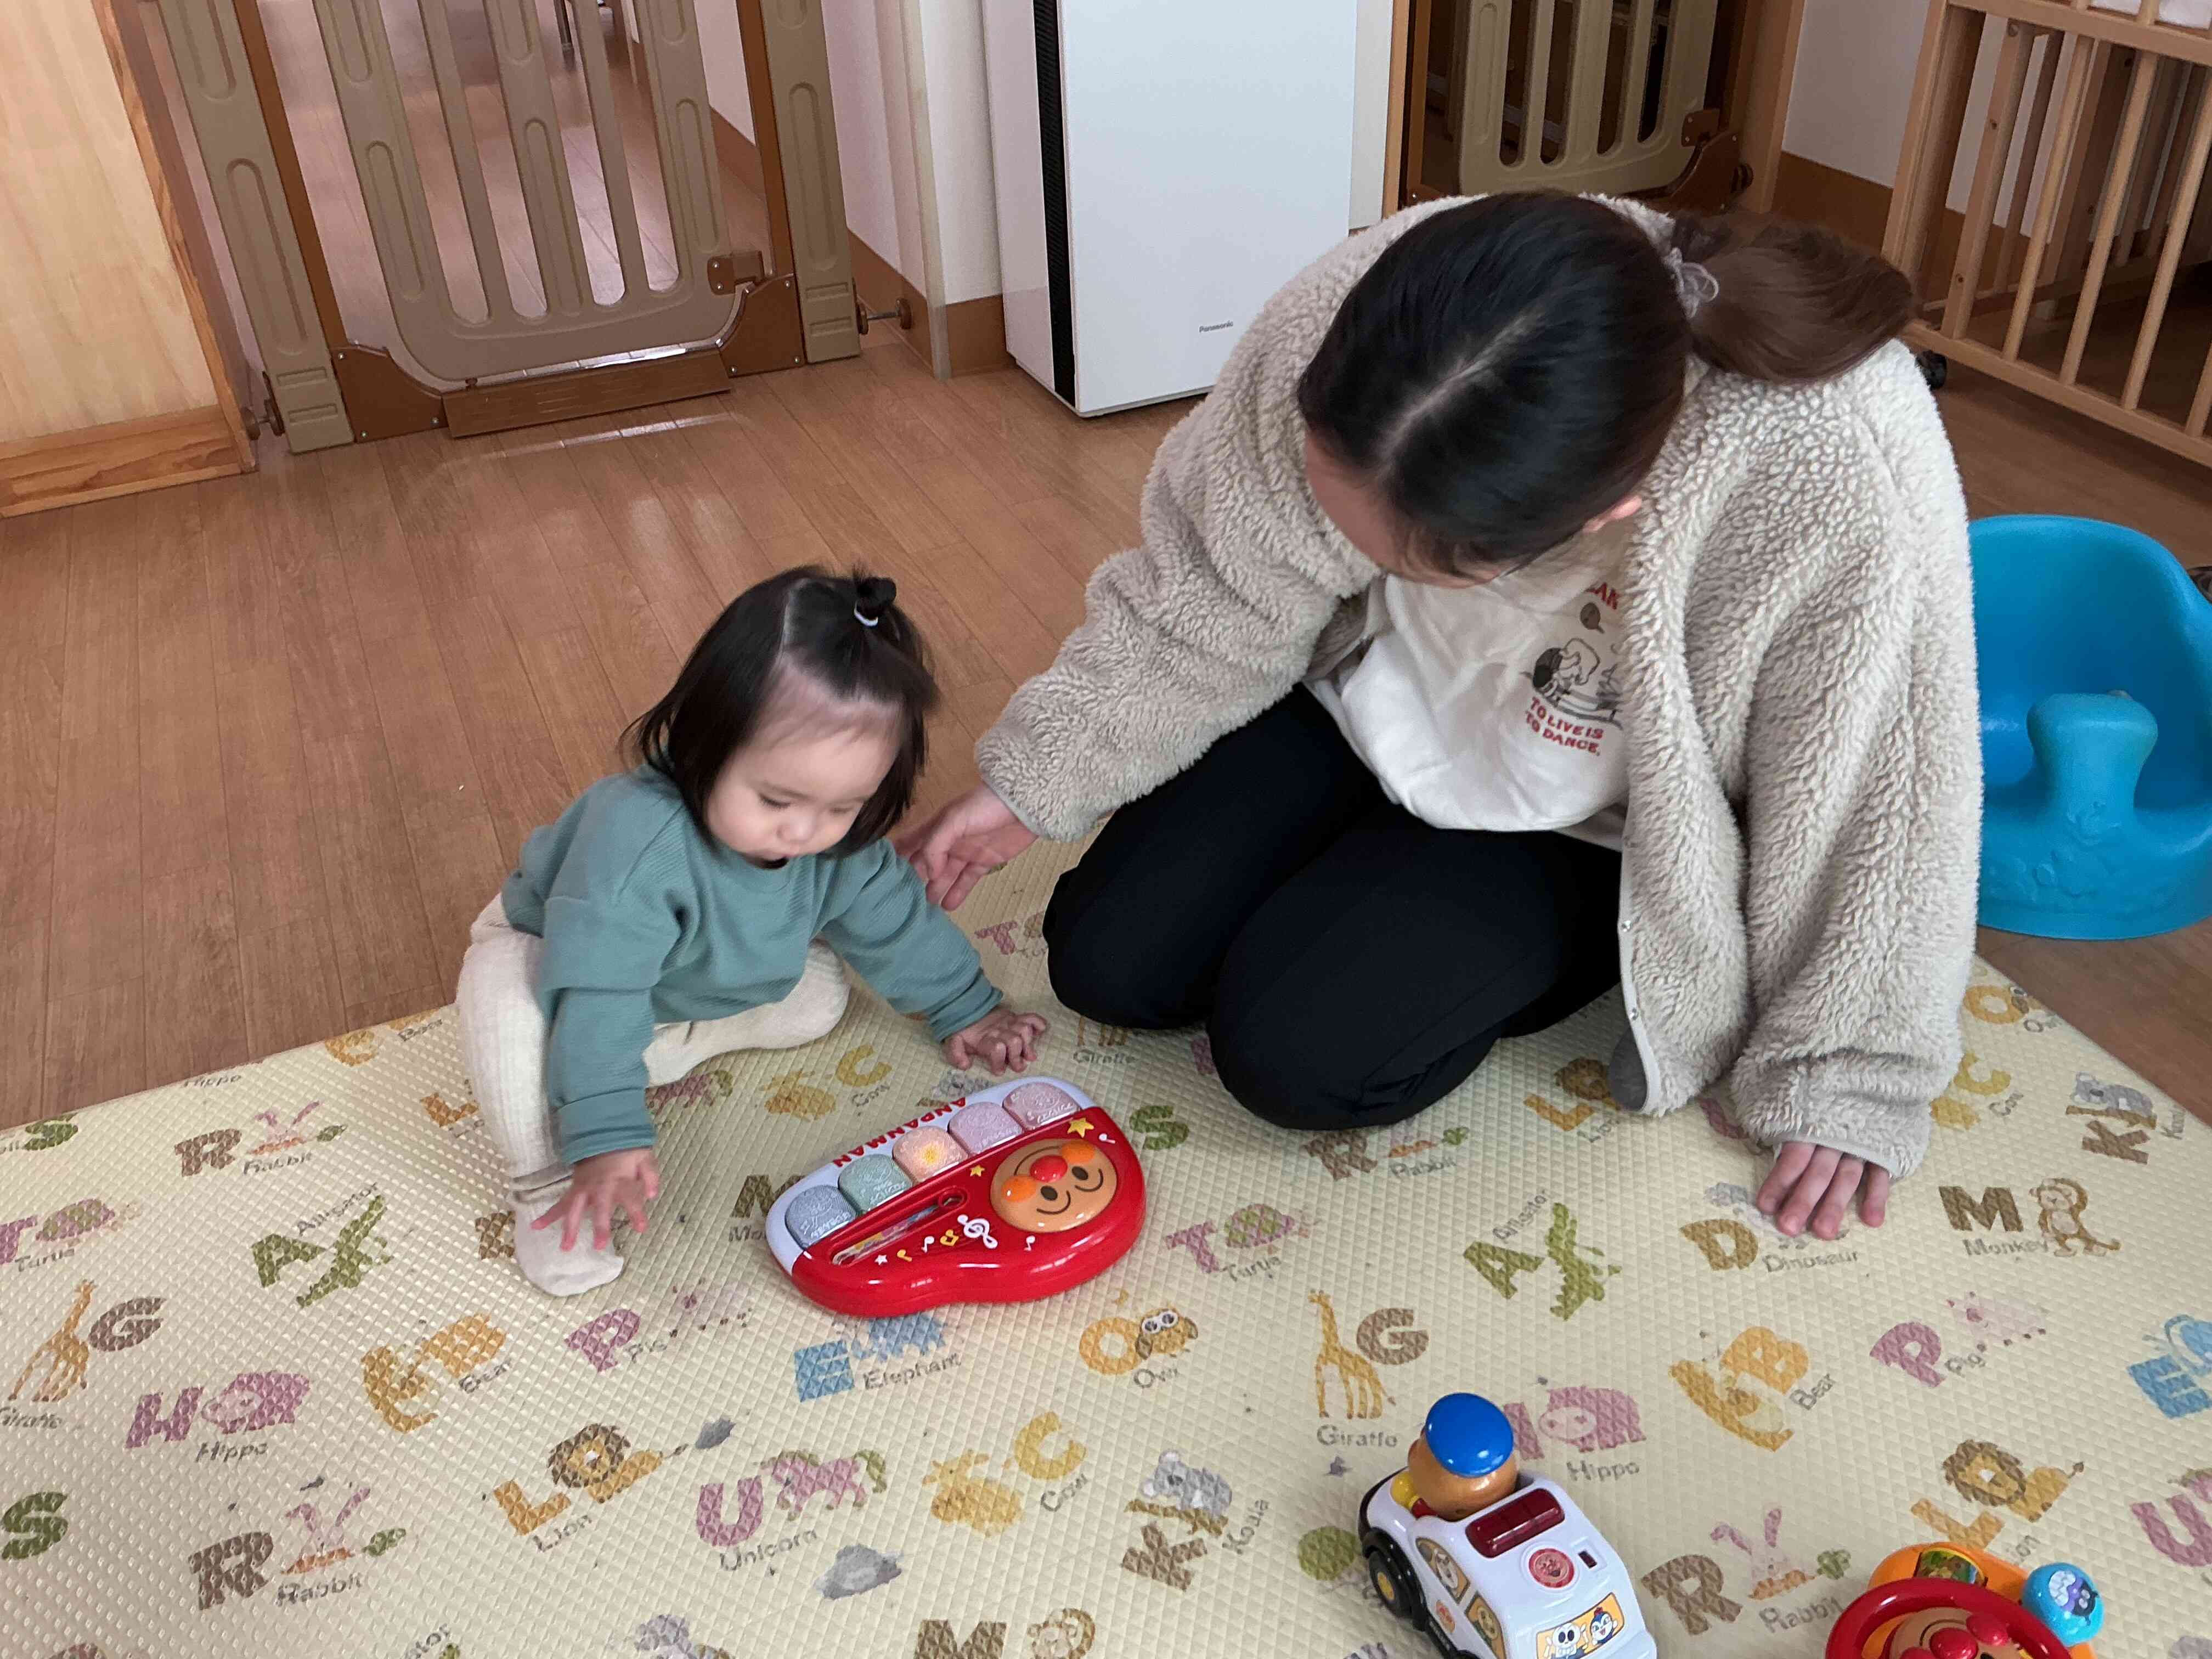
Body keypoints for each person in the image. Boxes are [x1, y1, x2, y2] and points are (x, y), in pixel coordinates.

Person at [901, 192, 1978, 1244]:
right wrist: (1030, 781)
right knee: (1107, 962)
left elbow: (1882, 787)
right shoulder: (1378, 304)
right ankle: (1364, 870)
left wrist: (1850, 1068)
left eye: (1399, 552)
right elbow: (1216, 589)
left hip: (1583, 812)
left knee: (1296, 1057)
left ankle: (1505, 929)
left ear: (1604, 515)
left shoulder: (1838, 465)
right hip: (1362, 698)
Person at [458, 569, 1047, 1295]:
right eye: (775, 799)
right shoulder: (634, 839)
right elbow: (602, 989)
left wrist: (968, 1006)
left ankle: (653, 1053)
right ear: (703, 742)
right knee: (502, 1004)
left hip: (681, 985)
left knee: (823, 996)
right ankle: (548, 1184)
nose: (804, 831)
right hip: (567, 965)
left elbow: (895, 922)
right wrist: (605, 1139)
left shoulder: (838, 840)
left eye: (844, 806)